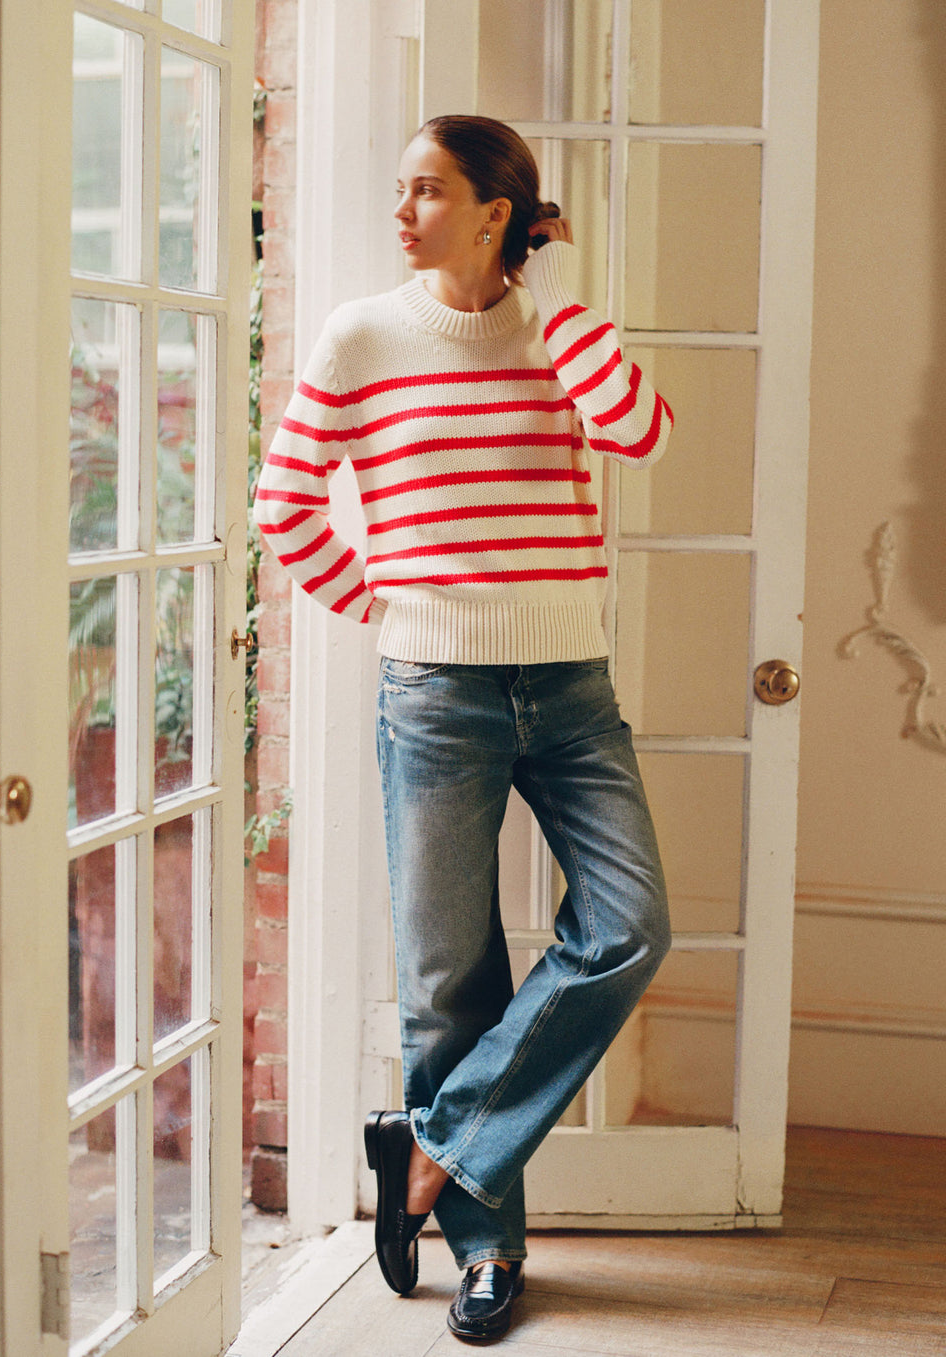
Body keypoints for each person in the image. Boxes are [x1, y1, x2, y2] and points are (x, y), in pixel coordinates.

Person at [254, 113, 673, 1344]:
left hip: (572, 686)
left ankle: (430, 1150)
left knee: (633, 925)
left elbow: (641, 434)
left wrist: (563, 308)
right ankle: (487, 1251)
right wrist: (380, 601)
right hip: (434, 690)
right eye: (398, 189)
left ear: (497, 212)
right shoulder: (364, 334)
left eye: (428, 192)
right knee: (451, 980)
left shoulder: (562, 333)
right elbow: (286, 499)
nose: (402, 212)